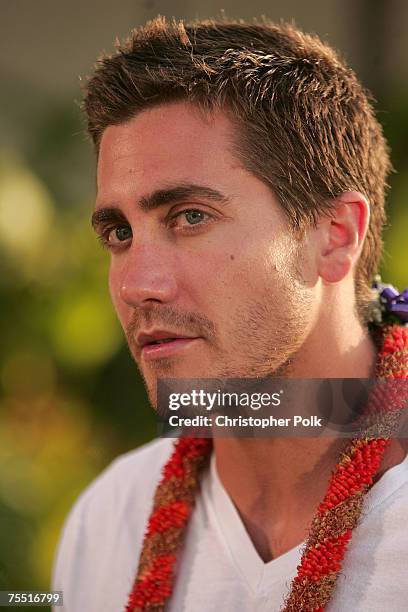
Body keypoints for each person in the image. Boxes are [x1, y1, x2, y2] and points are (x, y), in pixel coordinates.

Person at [52, 16, 408, 612]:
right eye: (118, 232)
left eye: (190, 216)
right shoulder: (111, 518)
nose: (138, 284)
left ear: (335, 235)